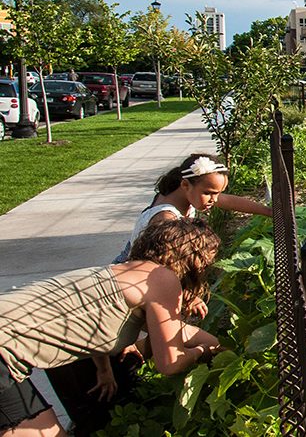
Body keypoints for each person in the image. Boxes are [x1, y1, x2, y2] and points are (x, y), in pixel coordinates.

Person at [0, 218, 224, 435]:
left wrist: (104, 369)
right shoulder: (163, 279)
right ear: (194, 258)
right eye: (208, 262)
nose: (206, 269)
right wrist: (202, 352)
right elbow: (171, 363)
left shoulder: (126, 273)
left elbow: (93, 324)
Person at [115, 154, 270, 267]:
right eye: (209, 193)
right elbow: (163, 264)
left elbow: (229, 201)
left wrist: (268, 211)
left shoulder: (184, 195)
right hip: (137, 274)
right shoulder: (165, 218)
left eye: (218, 193)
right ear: (185, 185)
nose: (214, 199)